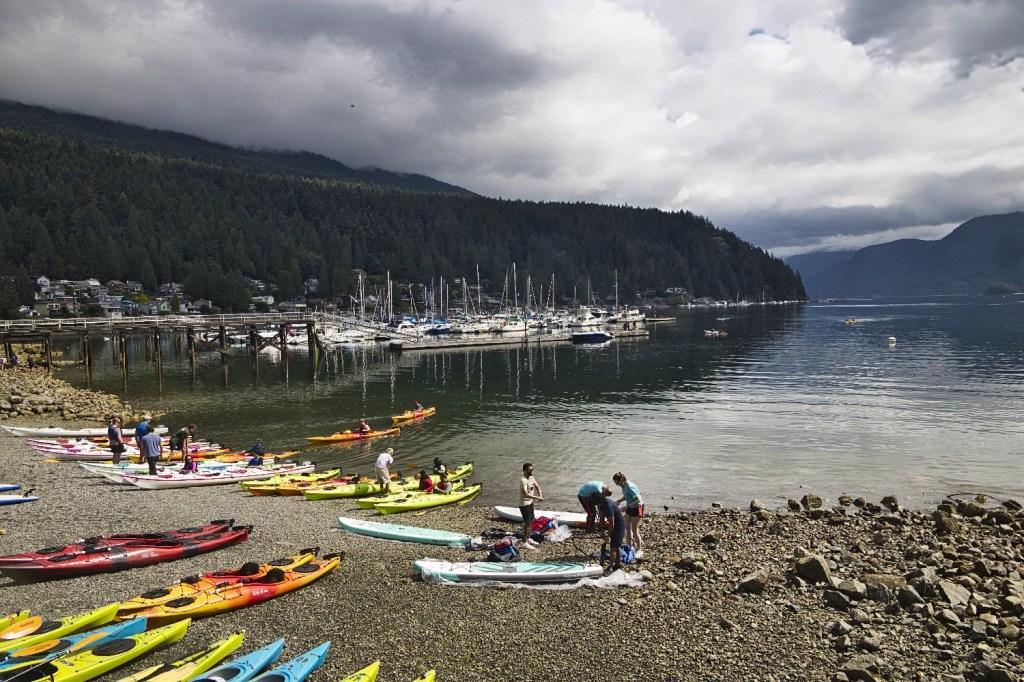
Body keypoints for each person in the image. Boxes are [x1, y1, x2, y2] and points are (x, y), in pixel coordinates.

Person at [613, 471, 645, 558]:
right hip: (630, 507)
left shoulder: (630, 486)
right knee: (628, 528)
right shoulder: (623, 486)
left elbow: (638, 499)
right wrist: (619, 501)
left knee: (634, 530)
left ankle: (639, 549)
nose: (616, 485)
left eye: (617, 483)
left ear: (621, 480)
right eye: (615, 483)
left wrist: (627, 507)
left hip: (637, 507)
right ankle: (630, 547)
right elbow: (627, 496)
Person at [592, 490, 625, 572]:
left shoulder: (608, 506)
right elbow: (602, 518)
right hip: (614, 525)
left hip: (619, 526)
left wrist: (608, 536)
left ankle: (611, 567)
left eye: (595, 503)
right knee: (616, 546)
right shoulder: (600, 505)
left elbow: (612, 524)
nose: (595, 505)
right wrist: (602, 530)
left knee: (614, 547)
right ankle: (617, 564)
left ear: (599, 501)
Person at [519, 463, 544, 550]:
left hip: (530, 503)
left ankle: (528, 538)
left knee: (531, 521)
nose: (531, 471)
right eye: (529, 469)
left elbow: (537, 487)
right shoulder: (523, 480)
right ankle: (524, 542)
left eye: (532, 469)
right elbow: (525, 494)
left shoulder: (531, 477)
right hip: (524, 504)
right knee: (527, 523)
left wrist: (540, 494)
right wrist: (537, 497)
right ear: (525, 470)